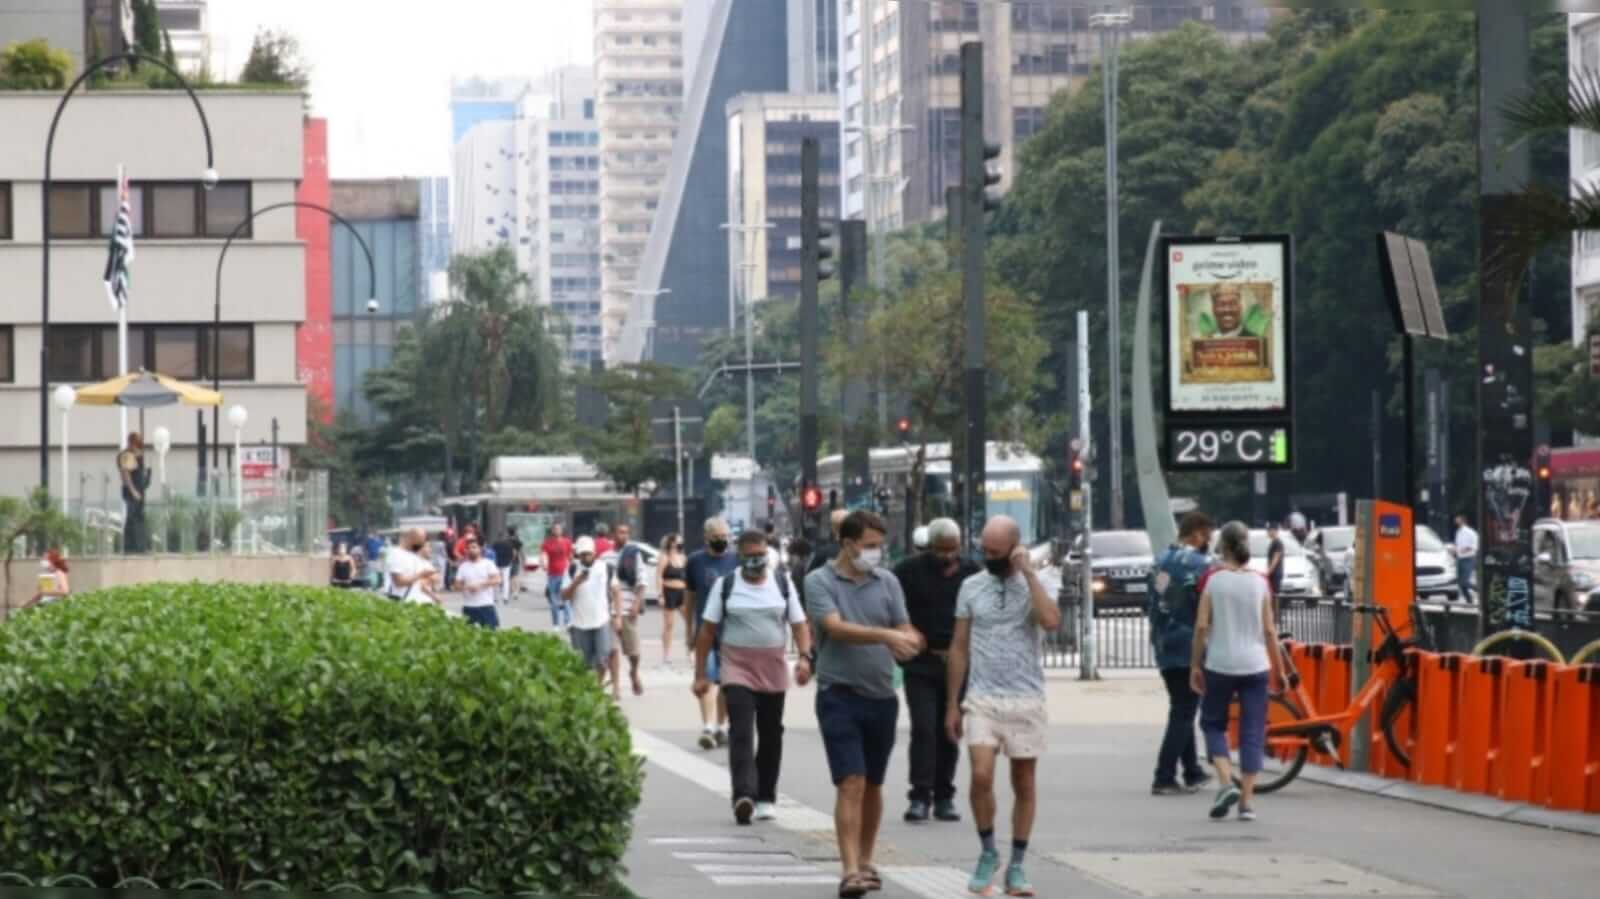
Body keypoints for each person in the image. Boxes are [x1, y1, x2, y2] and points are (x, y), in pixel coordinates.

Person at [805, 510, 924, 899]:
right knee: (851, 781)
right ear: (848, 544)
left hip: (882, 696)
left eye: (879, 546)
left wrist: (908, 638)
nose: (876, 553)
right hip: (838, 694)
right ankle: (849, 869)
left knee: (873, 783)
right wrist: (887, 636)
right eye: (870, 546)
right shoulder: (820, 581)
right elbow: (835, 627)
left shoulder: (887, 582)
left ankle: (867, 860)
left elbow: (904, 625)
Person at [944, 516, 1061, 897]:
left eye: (996, 552)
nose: (988, 557)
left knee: (1024, 781)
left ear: (1015, 548)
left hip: (1025, 697)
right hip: (982, 697)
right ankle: (988, 850)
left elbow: (1051, 620)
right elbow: (959, 647)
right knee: (980, 776)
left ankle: (1018, 863)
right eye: (985, 550)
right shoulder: (970, 587)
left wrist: (1028, 574)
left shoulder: (1034, 585)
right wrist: (952, 703)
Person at [694, 530, 812, 825]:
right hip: (737, 667)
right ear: (739, 556)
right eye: (748, 556)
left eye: (760, 555)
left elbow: (799, 624)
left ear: (767, 554)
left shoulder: (781, 583)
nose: (755, 561)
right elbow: (707, 632)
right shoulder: (727, 585)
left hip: (773, 667)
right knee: (742, 731)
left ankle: (765, 796)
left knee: (772, 733)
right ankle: (743, 796)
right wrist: (700, 675)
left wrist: (805, 658)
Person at [1193, 521, 1285, 822]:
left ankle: (1224, 781)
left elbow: (1202, 627)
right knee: (1252, 731)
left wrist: (1196, 664)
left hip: (1220, 663)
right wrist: (1280, 670)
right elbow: (1271, 632)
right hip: (1256, 665)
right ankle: (1246, 803)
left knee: (1212, 723)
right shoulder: (1260, 583)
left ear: (1224, 547)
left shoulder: (1214, 581)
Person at [893, 517, 978, 824]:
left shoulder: (971, 573)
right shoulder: (908, 572)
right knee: (924, 728)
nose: (947, 556)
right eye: (940, 550)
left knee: (949, 728)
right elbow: (891, 606)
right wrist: (904, 637)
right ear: (929, 547)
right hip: (921, 663)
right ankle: (920, 795)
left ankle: (945, 796)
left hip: (958, 664)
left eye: (952, 550)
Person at [1147, 512, 1217, 795]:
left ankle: (1192, 771)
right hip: (1190, 645)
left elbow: (1150, 600)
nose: (1208, 543)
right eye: (1207, 537)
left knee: (1181, 708)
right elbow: (1207, 608)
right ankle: (1163, 775)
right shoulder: (1203, 566)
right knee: (1184, 711)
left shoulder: (1159, 561)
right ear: (1198, 534)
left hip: (1163, 643)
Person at [687, 517, 740, 748]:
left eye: (725, 537)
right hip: (705, 630)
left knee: (726, 683)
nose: (721, 541)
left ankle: (720, 726)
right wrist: (689, 629)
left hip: (731, 630)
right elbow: (689, 598)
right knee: (705, 678)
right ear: (706, 538)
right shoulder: (695, 561)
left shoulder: (737, 560)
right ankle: (707, 726)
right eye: (717, 537)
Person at [563, 536, 622, 687]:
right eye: (582, 554)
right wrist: (576, 582)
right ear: (578, 555)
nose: (585, 557)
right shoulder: (572, 569)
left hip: (601, 621)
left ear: (594, 553)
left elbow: (616, 591)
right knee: (583, 663)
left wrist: (618, 616)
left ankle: (596, 688)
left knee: (603, 660)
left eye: (588, 554)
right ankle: (589, 689)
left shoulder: (605, 568)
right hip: (579, 623)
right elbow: (563, 596)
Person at [612, 523, 646, 697]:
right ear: (614, 534)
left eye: (625, 532)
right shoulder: (605, 556)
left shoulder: (634, 554)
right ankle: (616, 687)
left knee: (633, 651)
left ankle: (633, 671)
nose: (622, 535)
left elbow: (642, 580)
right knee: (613, 650)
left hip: (628, 608)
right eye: (619, 532)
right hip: (610, 610)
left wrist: (636, 603)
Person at [455, 535, 502, 629]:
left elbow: (497, 579)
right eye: (468, 548)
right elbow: (456, 585)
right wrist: (467, 586)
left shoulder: (488, 564)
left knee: (490, 634)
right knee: (467, 635)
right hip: (469, 606)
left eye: (474, 547)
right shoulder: (463, 566)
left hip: (486, 605)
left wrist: (480, 584)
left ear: (480, 549)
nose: (471, 550)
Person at [387, 528, 441, 605]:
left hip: (414, 602)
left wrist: (427, 577)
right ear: (411, 539)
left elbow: (421, 581)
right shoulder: (396, 554)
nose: (419, 546)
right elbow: (398, 582)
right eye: (419, 543)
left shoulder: (412, 556)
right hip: (401, 602)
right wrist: (421, 575)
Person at [117, 432, 150, 554]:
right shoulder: (127, 455)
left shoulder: (137, 455)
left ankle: (141, 546)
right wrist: (133, 491)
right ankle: (131, 547)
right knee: (132, 518)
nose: (138, 448)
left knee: (139, 517)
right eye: (136, 445)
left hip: (139, 490)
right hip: (132, 491)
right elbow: (126, 475)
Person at [658, 533, 689, 663]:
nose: (680, 543)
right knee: (669, 624)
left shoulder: (683, 557)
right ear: (671, 542)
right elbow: (659, 576)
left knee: (689, 622)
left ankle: (690, 652)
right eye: (678, 541)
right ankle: (666, 654)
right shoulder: (664, 557)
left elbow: (688, 575)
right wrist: (660, 595)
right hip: (669, 591)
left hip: (682, 591)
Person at [542, 524, 575, 629]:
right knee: (554, 599)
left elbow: (571, 557)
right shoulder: (547, 543)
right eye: (555, 529)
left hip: (564, 573)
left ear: (562, 530)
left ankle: (568, 621)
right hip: (552, 574)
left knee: (566, 598)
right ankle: (556, 624)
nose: (557, 530)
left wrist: (573, 570)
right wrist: (543, 563)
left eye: (559, 529)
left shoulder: (567, 542)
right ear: (552, 530)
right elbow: (543, 555)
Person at [1452, 513, 1479, 603]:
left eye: (1458, 518)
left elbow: (1474, 546)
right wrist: (1455, 551)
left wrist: (1465, 550)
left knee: (1464, 581)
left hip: (1469, 558)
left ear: (1463, 520)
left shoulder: (1471, 532)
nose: (1456, 520)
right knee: (1461, 583)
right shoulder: (1458, 532)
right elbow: (1457, 545)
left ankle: (1480, 590)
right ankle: (1469, 600)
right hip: (1460, 559)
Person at [491, 531, 517, 603]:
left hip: (497, 564)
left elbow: (493, 554)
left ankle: (495, 597)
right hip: (506, 564)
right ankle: (505, 597)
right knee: (506, 581)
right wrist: (510, 561)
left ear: (498, 537)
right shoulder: (509, 545)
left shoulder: (495, 544)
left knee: (496, 581)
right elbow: (513, 554)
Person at [1265, 522, 1285, 612]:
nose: (1268, 533)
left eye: (1269, 531)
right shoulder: (1273, 542)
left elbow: (1275, 559)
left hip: (1276, 573)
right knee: (1272, 594)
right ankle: (1274, 614)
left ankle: (1277, 615)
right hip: (1274, 572)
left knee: (1275, 594)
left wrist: (1268, 572)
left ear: (1274, 531)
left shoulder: (1277, 543)